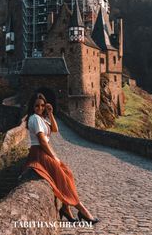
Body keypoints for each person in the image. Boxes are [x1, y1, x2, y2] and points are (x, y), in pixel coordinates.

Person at [23, 92, 99, 224]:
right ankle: (83, 210)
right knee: (61, 177)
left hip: (43, 153)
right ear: (32, 107)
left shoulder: (42, 118)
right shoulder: (34, 118)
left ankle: (65, 209)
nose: (40, 108)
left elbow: (55, 129)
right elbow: (42, 141)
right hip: (39, 154)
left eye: (42, 105)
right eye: (37, 106)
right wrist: (54, 157)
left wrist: (50, 113)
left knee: (67, 173)